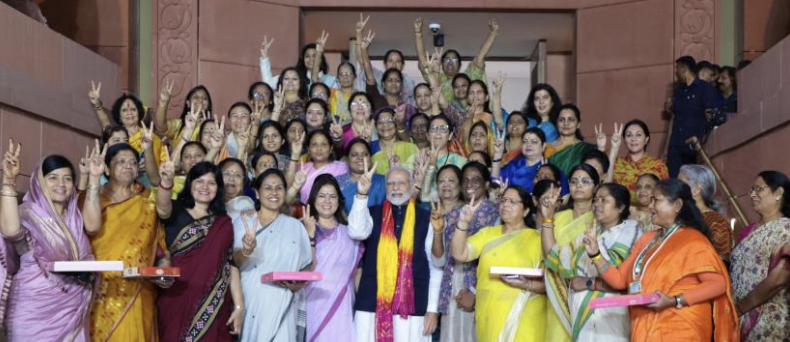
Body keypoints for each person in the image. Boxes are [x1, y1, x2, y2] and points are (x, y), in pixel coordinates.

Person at [585, 179, 738, 342]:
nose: (650, 206)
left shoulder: (693, 240)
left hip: (681, 327)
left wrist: (674, 301)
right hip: (644, 326)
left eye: (656, 200)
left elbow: (718, 284)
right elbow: (619, 281)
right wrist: (595, 255)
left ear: (677, 205)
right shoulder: (647, 239)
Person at [0, 143, 101, 341]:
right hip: (33, 310)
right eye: (52, 178)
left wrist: (95, 178)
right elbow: (11, 231)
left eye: (67, 179)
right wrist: (9, 180)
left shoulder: (75, 217)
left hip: (72, 311)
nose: (61, 184)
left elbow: (94, 226)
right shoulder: (28, 213)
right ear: (40, 182)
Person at [540, 183, 642, 341]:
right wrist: (547, 219)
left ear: (621, 207)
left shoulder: (632, 231)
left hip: (611, 316)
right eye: (596, 199)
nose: (597, 204)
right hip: (582, 315)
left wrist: (588, 282)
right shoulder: (588, 235)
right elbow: (554, 258)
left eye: (604, 200)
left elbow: (621, 277)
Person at [155, 161, 244, 341]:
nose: (205, 187)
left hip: (215, 304)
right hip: (176, 299)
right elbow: (162, 208)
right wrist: (167, 181)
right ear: (190, 184)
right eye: (199, 181)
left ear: (218, 188)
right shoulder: (176, 210)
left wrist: (239, 307)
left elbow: (230, 265)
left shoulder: (223, 222)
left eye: (211, 182)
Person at [352, 167, 442, 342]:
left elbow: (436, 265)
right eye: (391, 183)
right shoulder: (371, 213)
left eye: (401, 183)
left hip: (413, 305)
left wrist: (432, 309)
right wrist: (361, 195)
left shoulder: (426, 217)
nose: (396, 187)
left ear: (412, 185)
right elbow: (357, 232)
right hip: (372, 303)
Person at [88, 143, 166, 341]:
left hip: (138, 288)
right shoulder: (92, 199)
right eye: (120, 161)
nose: (128, 166)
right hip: (100, 288)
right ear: (106, 168)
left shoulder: (147, 200)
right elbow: (87, 231)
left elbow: (159, 246)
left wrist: (164, 266)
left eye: (132, 162)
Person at [450, 185, 547, 342]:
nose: (506, 204)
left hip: (525, 317)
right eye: (503, 200)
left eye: (513, 202)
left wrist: (527, 285)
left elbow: (552, 282)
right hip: (489, 316)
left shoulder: (538, 239)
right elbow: (459, 253)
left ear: (526, 210)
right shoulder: (488, 233)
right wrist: (463, 222)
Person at [233, 169, 313, 342]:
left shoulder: (295, 226)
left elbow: (306, 266)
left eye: (279, 188)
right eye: (268, 188)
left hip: (284, 301)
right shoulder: (244, 222)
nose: (274, 193)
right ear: (257, 193)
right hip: (253, 299)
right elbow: (234, 262)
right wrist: (246, 249)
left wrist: (297, 285)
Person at [432, 163, 499, 342]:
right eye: (466, 180)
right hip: (452, 288)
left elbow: (497, 260)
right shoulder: (454, 214)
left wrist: (474, 293)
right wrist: (438, 232)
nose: (469, 184)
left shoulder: (496, 214)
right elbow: (440, 261)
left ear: (486, 185)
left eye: (476, 180)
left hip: (480, 290)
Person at [305, 173, 374, 342]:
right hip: (312, 304)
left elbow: (357, 273)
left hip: (343, 305)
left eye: (332, 196)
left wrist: (364, 307)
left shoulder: (349, 232)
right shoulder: (301, 229)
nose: (327, 201)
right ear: (313, 199)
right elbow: (306, 269)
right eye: (321, 196)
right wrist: (310, 236)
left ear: (339, 200)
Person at [542, 163, 599, 342]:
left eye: (585, 181)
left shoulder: (599, 220)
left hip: (585, 292)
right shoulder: (557, 218)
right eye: (574, 181)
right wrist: (547, 218)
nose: (578, 185)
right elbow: (548, 255)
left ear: (596, 186)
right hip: (556, 290)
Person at [731, 170, 790, 341]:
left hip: (768, 322)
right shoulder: (750, 230)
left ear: (778, 193)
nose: (752, 195)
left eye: (759, 189)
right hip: (740, 317)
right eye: (751, 190)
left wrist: (741, 308)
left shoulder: (785, 229)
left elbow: (779, 279)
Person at [415, 17, 498, 104]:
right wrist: (418, 32)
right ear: (441, 64)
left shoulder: (468, 76)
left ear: (459, 65)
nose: (450, 62)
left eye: (454, 60)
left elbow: (480, 56)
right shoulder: (436, 76)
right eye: (447, 60)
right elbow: (423, 61)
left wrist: (493, 32)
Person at [665, 56, 721, 177]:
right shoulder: (679, 91)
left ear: (684, 69)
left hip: (694, 145)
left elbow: (710, 115)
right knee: (674, 180)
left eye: (677, 69)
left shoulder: (704, 88)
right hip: (675, 144)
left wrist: (704, 140)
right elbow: (674, 117)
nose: (675, 73)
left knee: (692, 180)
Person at [355, 14, 417, 106]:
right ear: (385, 64)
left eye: (398, 61)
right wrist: (359, 33)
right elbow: (363, 62)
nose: (394, 64)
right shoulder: (377, 75)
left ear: (403, 65)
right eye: (390, 61)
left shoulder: (408, 82)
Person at [678, 165, 733, 260]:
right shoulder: (681, 217)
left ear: (696, 189)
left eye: (680, 184)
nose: (675, 189)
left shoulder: (716, 222)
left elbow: (720, 260)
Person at [612, 119, 669, 202]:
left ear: (646, 139)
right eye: (629, 135)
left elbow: (666, 195)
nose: (633, 139)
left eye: (638, 135)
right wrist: (613, 149)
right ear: (624, 140)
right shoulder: (616, 163)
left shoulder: (658, 165)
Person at [297, 130, 350, 204]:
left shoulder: (343, 167)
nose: (319, 148)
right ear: (308, 149)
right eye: (314, 144)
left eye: (323, 144)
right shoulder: (300, 168)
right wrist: (294, 154)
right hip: (307, 212)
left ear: (331, 148)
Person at [545, 104, 597, 177]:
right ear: (556, 124)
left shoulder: (585, 149)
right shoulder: (545, 147)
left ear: (578, 124)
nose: (566, 123)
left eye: (571, 120)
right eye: (561, 120)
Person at [337, 138, 386, 213]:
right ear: (347, 159)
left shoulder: (382, 181)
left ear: (370, 157)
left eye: (365, 154)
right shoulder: (338, 182)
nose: (360, 158)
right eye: (354, 155)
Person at [496, 127, 547, 193]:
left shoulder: (549, 169)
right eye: (525, 141)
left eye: (534, 142)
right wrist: (498, 154)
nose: (528, 145)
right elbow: (495, 180)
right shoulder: (514, 164)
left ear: (543, 146)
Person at [371, 108, 419, 174]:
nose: (385, 125)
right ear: (376, 126)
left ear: (396, 124)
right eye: (380, 122)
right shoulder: (370, 149)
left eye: (389, 121)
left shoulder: (410, 147)